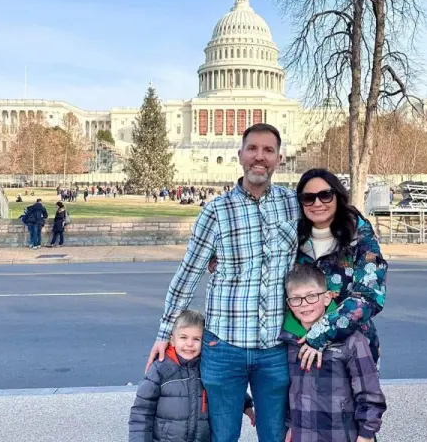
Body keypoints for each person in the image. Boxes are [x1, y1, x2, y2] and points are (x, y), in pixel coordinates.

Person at [146, 123, 299, 442]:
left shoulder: (292, 205)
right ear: (240, 154)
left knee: (276, 435)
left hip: (273, 347)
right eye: (253, 149)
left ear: (279, 158)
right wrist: (165, 332)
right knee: (222, 436)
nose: (260, 157)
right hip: (224, 345)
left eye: (268, 150)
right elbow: (188, 272)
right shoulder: (216, 211)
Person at [288, 168, 387, 371]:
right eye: (308, 198)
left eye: (325, 195)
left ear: (337, 196)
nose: (317, 203)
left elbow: (369, 296)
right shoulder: (290, 236)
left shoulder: (360, 235)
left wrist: (320, 334)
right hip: (297, 347)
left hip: (351, 350)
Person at [280, 264, 386, 442]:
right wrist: (291, 425)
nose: (304, 304)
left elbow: (370, 394)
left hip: (341, 435)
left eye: (312, 296)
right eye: (296, 299)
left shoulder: (352, 341)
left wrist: (366, 434)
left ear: (327, 297)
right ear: (289, 303)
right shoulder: (289, 342)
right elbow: (290, 394)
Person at [129, 310, 255, 442]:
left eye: (196, 339)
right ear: (172, 340)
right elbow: (141, 412)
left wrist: (245, 404)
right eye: (183, 337)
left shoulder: (207, 366)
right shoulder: (160, 369)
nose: (189, 344)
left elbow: (224, 387)